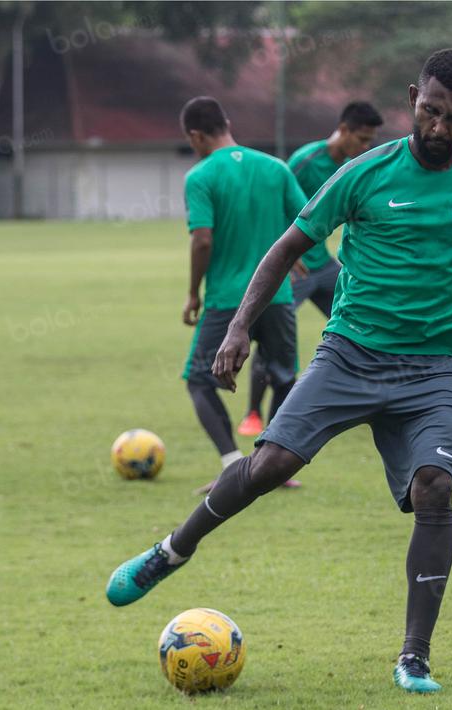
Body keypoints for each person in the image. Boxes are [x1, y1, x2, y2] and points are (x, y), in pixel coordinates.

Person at [106, 49, 452, 694]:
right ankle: (171, 552)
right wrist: (239, 325)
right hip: (349, 356)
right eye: (429, 111)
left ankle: (414, 657)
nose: (438, 128)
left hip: (432, 371)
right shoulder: (366, 173)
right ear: (413, 96)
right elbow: (288, 247)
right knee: (273, 466)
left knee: (434, 489)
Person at [176, 96, 307, 485]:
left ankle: (234, 463)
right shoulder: (276, 168)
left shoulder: (200, 176)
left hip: (228, 301)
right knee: (284, 377)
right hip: (278, 295)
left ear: (195, 136)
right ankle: (272, 467)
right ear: (227, 123)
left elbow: (202, 241)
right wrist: (294, 256)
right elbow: (305, 219)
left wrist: (194, 292)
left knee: (199, 380)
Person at [238, 101, 384, 437]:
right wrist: (287, 257)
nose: (365, 148)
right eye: (362, 140)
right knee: (273, 334)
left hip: (324, 266)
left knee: (364, 319)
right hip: (294, 269)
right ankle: (252, 413)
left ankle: (377, 399)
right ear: (343, 130)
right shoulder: (304, 162)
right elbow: (276, 206)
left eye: (369, 142)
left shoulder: (352, 167)